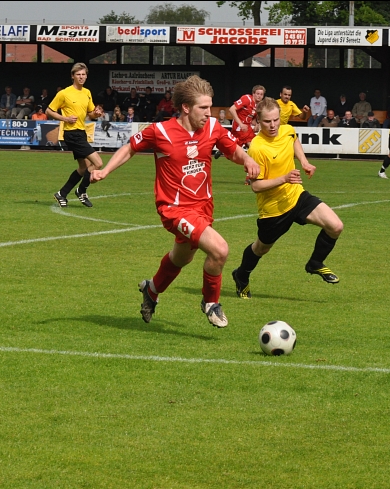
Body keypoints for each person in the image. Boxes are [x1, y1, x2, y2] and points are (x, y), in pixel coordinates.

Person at [89, 75, 261, 328]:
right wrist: (105, 171)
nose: (209, 112)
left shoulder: (213, 127)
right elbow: (130, 148)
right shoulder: (160, 132)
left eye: (209, 106)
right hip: (174, 209)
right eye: (203, 107)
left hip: (203, 207)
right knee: (220, 250)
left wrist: (246, 160)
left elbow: (232, 150)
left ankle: (152, 290)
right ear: (186, 107)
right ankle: (211, 303)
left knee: (181, 259)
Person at [231, 97, 344, 299]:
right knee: (261, 248)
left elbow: (294, 140)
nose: (273, 125)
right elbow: (256, 186)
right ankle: (241, 275)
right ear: (258, 120)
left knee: (335, 226)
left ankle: (315, 263)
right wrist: (284, 178)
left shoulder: (287, 129)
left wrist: (304, 162)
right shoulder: (257, 148)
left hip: (296, 195)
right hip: (273, 209)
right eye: (267, 121)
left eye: (276, 120)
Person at [46, 62, 105, 209]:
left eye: (83, 74)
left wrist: (96, 114)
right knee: (98, 163)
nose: (81, 77)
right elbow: (49, 111)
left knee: (83, 167)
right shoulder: (64, 93)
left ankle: (62, 193)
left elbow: (91, 114)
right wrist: (65, 118)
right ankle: (82, 191)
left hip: (81, 132)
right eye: (78, 74)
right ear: (72, 76)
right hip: (71, 134)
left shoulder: (87, 92)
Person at [216, 84, 266, 160]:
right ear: (253, 94)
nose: (259, 96)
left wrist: (257, 124)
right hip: (238, 126)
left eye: (261, 94)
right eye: (258, 94)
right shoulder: (247, 99)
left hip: (247, 128)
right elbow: (232, 109)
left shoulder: (259, 105)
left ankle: (256, 162)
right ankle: (254, 161)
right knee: (247, 145)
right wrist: (241, 124)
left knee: (253, 144)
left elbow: (253, 119)